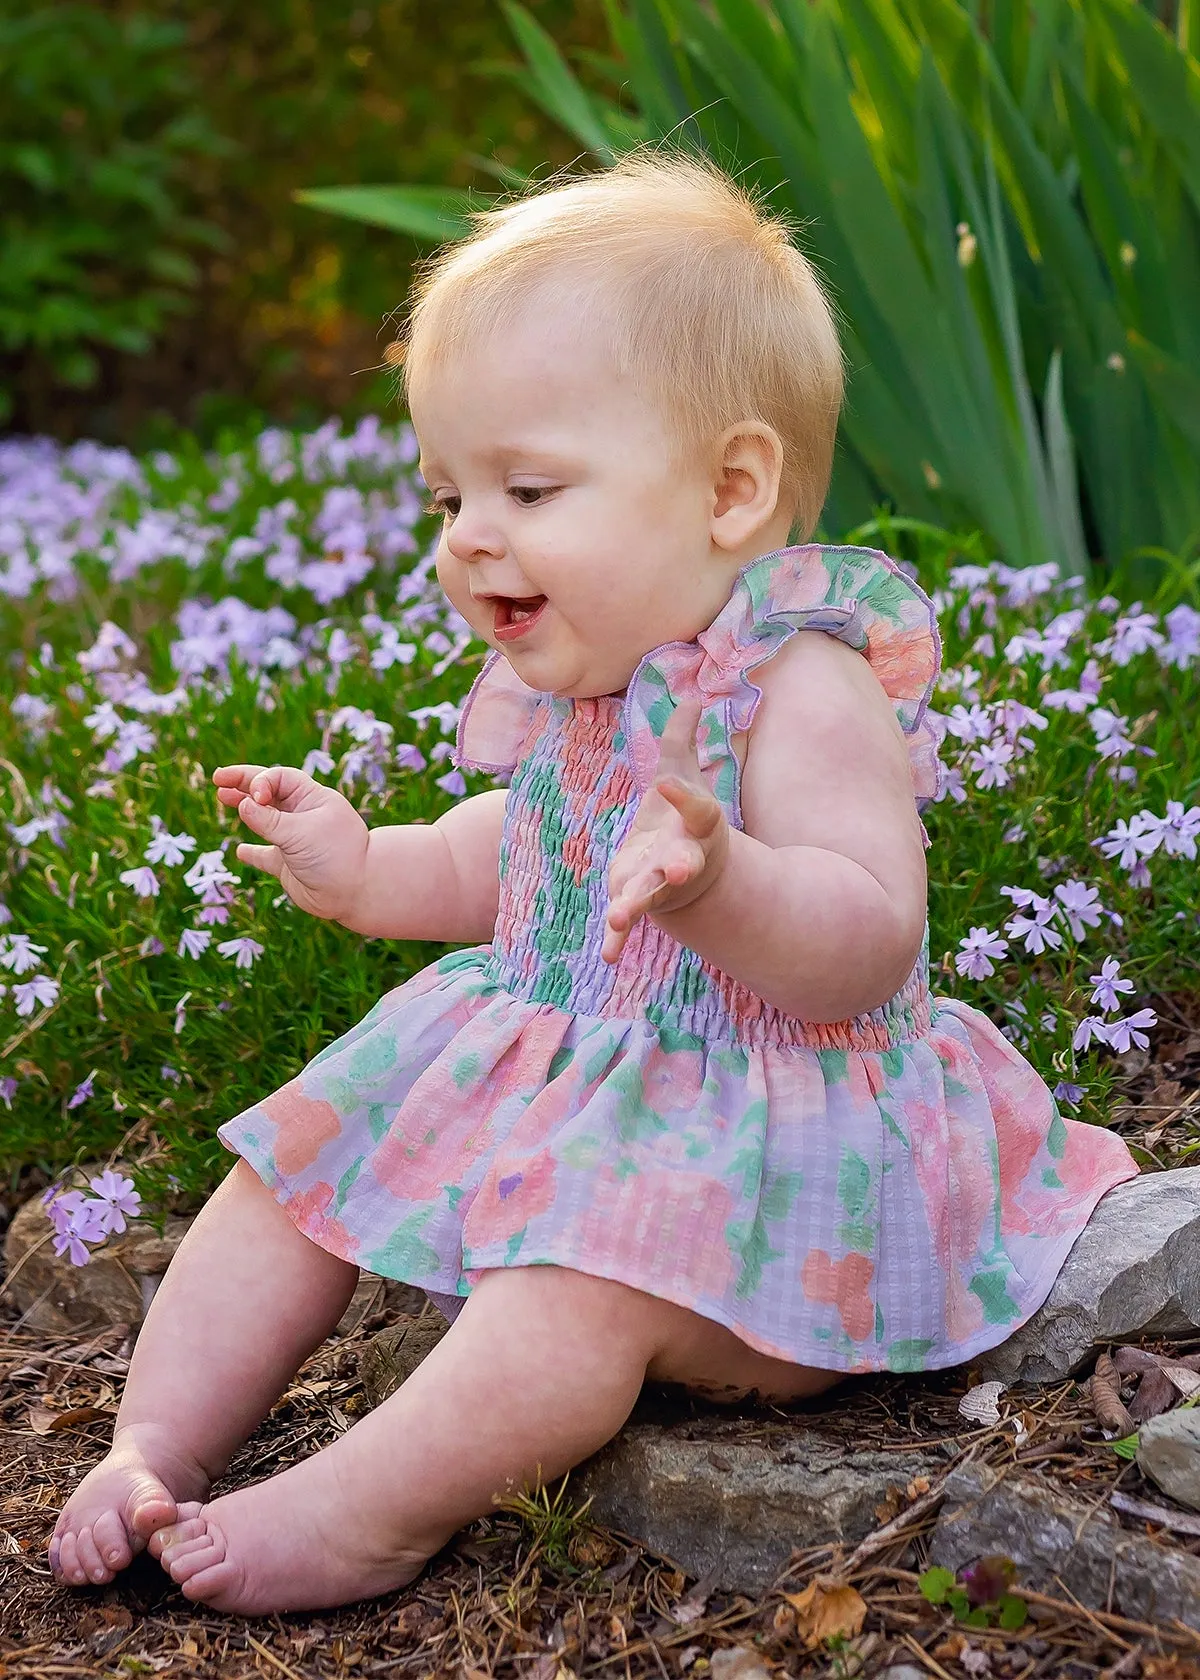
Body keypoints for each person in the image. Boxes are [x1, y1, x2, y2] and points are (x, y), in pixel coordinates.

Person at [47, 151, 1138, 1617]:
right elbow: (521, 855)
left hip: (770, 1172)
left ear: (732, 489)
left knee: (571, 1293)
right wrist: (371, 868)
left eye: (529, 486)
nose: (468, 535)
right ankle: (152, 1443)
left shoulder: (801, 689)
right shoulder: (580, 698)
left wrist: (721, 883)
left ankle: (369, 1510)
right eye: (448, 493)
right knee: (286, 1179)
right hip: (588, 1105)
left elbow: (868, 944)